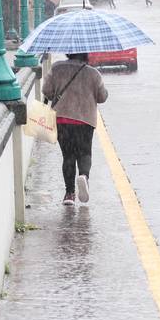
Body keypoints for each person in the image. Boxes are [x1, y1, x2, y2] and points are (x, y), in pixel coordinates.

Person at [42, 52, 108, 205]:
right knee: (84, 152)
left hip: (62, 119)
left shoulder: (57, 68)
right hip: (85, 121)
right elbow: (102, 97)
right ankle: (84, 176)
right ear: (86, 54)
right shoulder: (93, 73)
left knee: (68, 156)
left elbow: (47, 91)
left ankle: (69, 194)